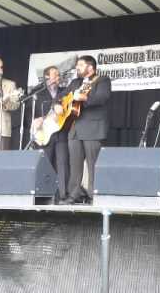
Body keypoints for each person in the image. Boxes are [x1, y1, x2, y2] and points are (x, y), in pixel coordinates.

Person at [58, 55, 111, 205]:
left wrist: (84, 98)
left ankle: (94, 195)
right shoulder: (75, 82)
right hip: (75, 128)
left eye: (80, 65)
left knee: (93, 164)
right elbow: (62, 96)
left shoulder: (102, 80)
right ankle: (74, 195)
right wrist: (57, 104)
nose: (77, 67)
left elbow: (102, 98)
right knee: (74, 164)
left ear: (90, 67)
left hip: (93, 127)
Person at [32, 66, 70, 201]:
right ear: (47, 77)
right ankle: (44, 194)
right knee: (45, 163)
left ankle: (63, 195)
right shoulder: (37, 94)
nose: (58, 78)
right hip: (44, 133)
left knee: (63, 163)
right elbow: (30, 116)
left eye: (59, 75)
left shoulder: (65, 91)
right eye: (55, 75)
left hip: (61, 132)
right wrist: (37, 120)